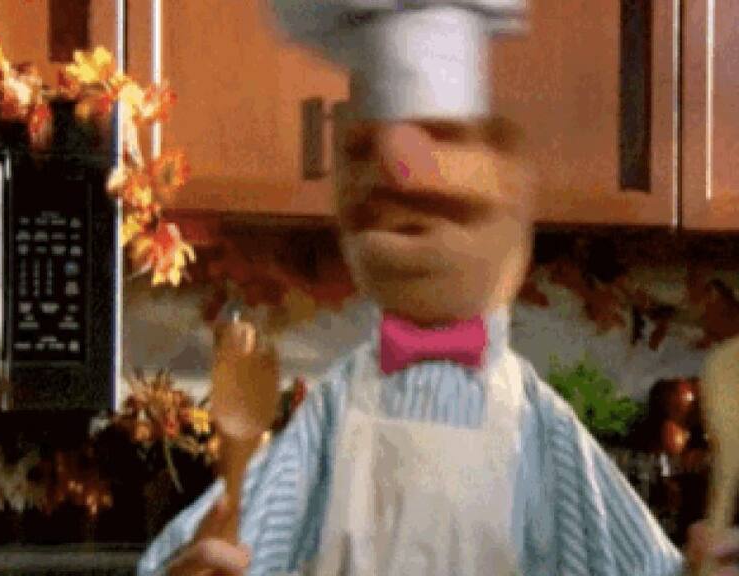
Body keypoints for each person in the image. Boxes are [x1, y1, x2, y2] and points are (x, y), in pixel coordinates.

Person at [136, 115, 739, 576]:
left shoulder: (535, 419)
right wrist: (195, 563)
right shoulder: (337, 406)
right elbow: (226, 546)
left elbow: (639, 563)